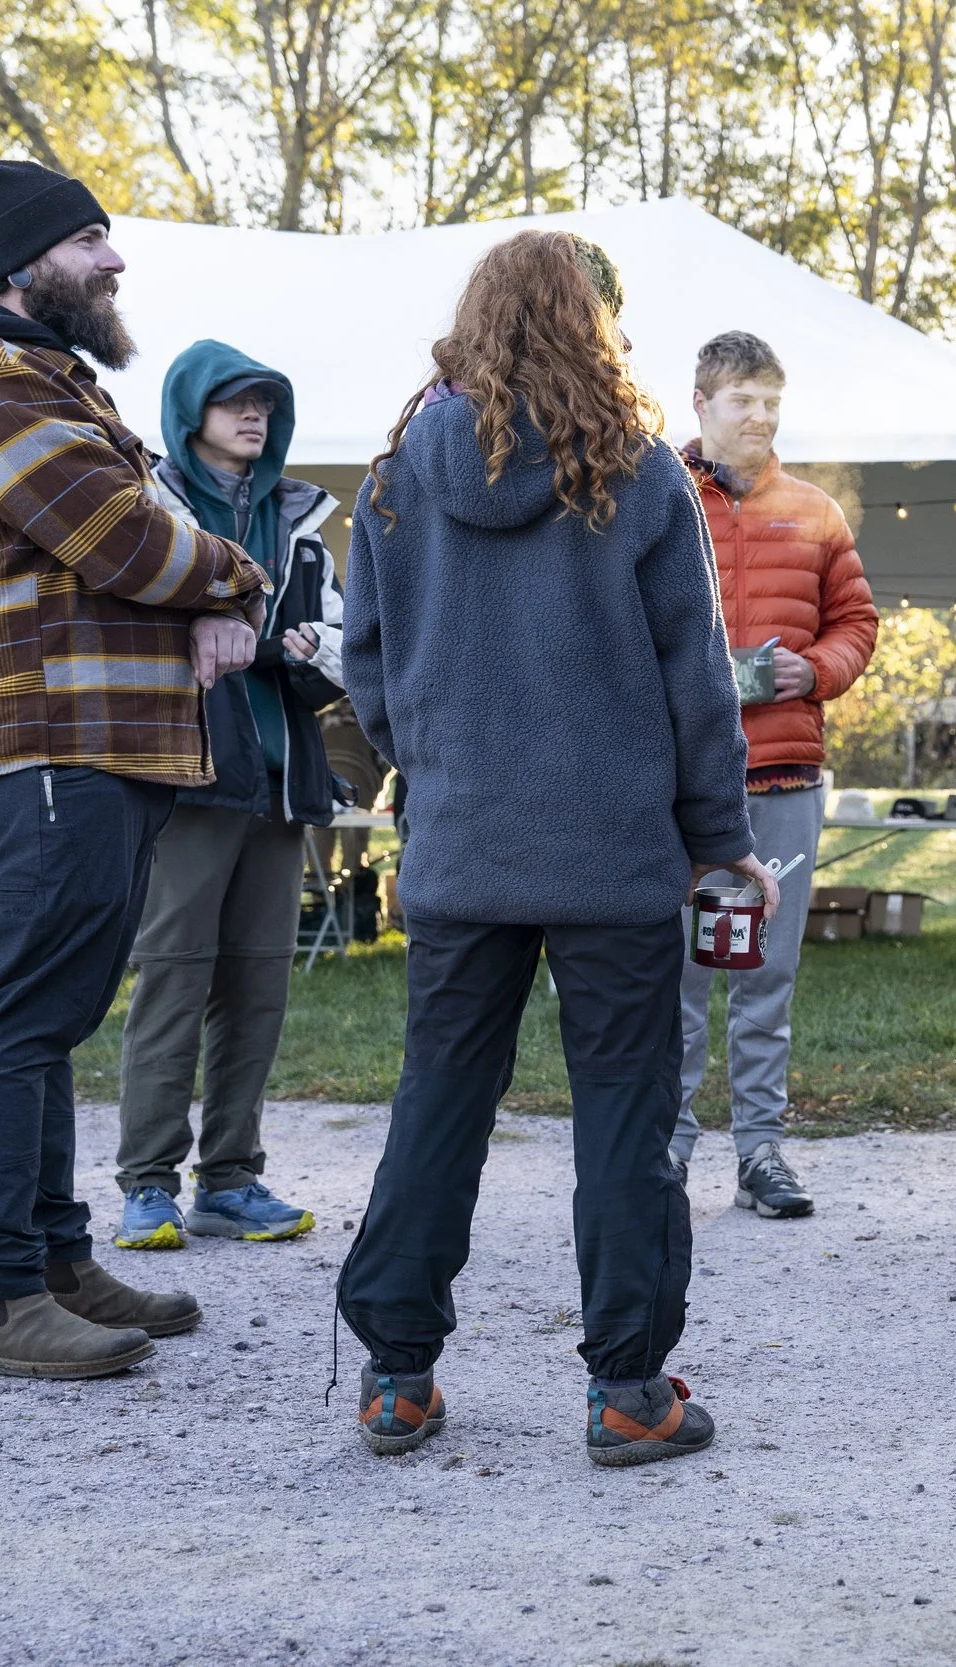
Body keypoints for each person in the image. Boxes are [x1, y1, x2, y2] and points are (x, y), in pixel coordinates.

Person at [335, 232, 776, 1463]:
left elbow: (365, 668)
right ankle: (630, 1390)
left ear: (470, 324)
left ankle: (395, 1377)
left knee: (439, 1104)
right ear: (594, 325)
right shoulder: (638, 475)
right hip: (614, 851)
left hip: (463, 843)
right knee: (625, 1116)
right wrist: (721, 840)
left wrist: (434, 757)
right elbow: (698, 683)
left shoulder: (394, 478)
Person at [0, 158, 268, 1379]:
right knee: (12, 1015)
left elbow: (143, 520)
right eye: (88, 241)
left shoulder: (43, 381)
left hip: (81, 749)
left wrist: (199, 577)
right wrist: (235, 578)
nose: (114, 262)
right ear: (12, 265)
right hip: (38, 747)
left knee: (45, 1013)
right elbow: (121, 534)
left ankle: (50, 1258)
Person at [112, 342, 344, 1252]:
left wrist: (310, 648)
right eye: (233, 401)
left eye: (264, 402)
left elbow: (345, 640)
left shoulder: (303, 518)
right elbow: (123, 632)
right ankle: (147, 1184)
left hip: (281, 775)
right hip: (187, 778)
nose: (253, 415)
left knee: (258, 987)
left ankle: (232, 1178)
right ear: (189, 409)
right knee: (172, 977)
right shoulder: (143, 506)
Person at [670, 330, 878, 1218]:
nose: (759, 416)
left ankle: (761, 1152)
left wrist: (817, 669)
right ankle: (665, 1149)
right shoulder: (660, 502)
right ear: (702, 406)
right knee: (674, 976)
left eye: (770, 401)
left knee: (766, 974)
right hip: (679, 782)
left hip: (786, 773)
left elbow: (857, 623)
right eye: (742, 400)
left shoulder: (817, 511)